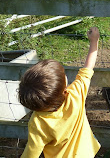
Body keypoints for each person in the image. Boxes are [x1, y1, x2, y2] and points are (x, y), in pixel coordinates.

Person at [18, 27, 101, 158]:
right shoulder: (75, 94)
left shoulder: (38, 122)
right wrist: (94, 41)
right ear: (64, 88)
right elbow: (88, 68)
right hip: (87, 153)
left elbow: (31, 154)